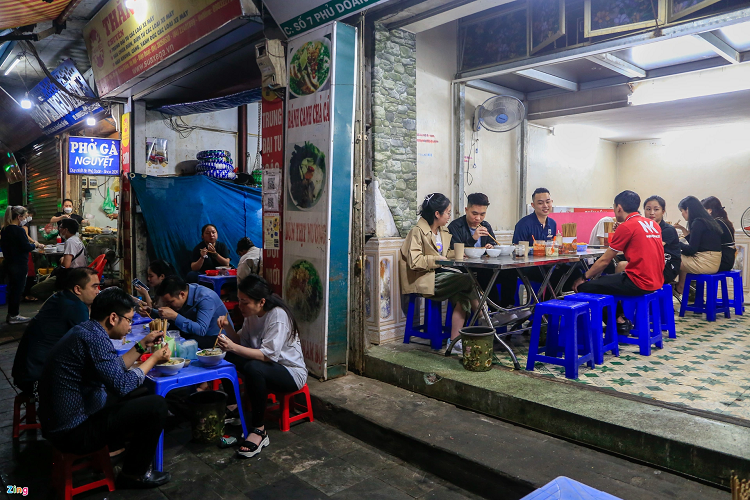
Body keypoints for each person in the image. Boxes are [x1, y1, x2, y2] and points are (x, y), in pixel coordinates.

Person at [38, 288, 172, 488]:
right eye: (129, 319)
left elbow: (113, 368)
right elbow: (123, 384)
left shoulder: (86, 330)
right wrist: (154, 359)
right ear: (112, 318)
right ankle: (133, 474)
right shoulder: (95, 339)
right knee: (157, 406)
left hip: (59, 422)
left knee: (138, 393)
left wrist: (142, 345)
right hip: (73, 432)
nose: (130, 325)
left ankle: (124, 451)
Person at [216, 275, 307, 458]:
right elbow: (243, 341)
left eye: (245, 302)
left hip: (289, 372)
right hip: (267, 366)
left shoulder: (277, 316)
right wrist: (228, 329)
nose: (240, 306)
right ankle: (234, 407)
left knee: (252, 368)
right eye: (239, 301)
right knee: (226, 355)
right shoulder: (252, 314)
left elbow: (268, 355)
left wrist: (233, 346)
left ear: (261, 302)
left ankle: (259, 430)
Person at [572, 190, 665, 334]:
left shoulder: (627, 226)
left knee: (587, 287)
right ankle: (620, 319)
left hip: (638, 282)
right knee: (607, 283)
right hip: (657, 280)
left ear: (619, 208)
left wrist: (584, 278)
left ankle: (617, 324)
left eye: (614, 208)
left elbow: (604, 260)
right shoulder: (653, 224)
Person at [399, 193, 478, 352]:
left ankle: (454, 341)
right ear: (437, 213)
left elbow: (444, 253)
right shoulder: (417, 232)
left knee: (463, 294)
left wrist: (456, 254)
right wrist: (436, 259)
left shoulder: (443, 232)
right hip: (422, 279)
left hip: (438, 275)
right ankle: (482, 313)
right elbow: (415, 261)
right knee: (467, 279)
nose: (449, 216)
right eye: (448, 212)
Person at [12, 268, 100, 395]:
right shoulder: (75, 306)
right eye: (94, 287)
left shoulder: (61, 297)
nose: (98, 291)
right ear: (77, 289)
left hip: (24, 373)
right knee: (97, 382)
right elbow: (91, 344)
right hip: (35, 379)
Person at [156, 275, 228, 348]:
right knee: (171, 327)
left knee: (193, 340)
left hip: (217, 338)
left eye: (170, 302)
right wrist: (151, 312)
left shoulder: (205, 298)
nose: (168, 306)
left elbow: (201, 330)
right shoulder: (187, 291)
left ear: (182, 294)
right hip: (199, 333)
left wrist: (175, 316)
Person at [673, 196, 723, 295]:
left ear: (687, 209)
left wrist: (674, 242)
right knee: (679, 257)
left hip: (705, 262)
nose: (682, 214)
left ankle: (673, 286)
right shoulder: (706, 220)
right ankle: (680, 286)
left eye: (681, 211)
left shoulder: (698, 222)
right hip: (713, 261)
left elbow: (692, 249)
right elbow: (696, 243)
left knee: (670, 258)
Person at [30, 218, 87, 301]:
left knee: (34, 290)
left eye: (60, 227)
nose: (59, 230)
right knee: (42, 279)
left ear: (66, 230)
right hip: (77, 271)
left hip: (71, 274)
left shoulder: (70, 242)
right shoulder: (76, 239)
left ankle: (61, 298)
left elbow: (66, 265)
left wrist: (62, 260)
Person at [1, 206, 39, 324]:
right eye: (25, 216)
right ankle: (14, 315)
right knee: (17, 290)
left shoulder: (5, 229)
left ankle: (11, 314)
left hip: (9, 263)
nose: (26, 219)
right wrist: (36, 245)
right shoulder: (19, 230)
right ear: (19, 217)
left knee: (12, 289)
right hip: (19, 265)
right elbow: (26, 247)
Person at [643, 196, 681, 285]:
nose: (651, 213)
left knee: (623, 266)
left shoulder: (668, 229)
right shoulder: (644, 227)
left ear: (663, 212)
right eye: (648, 209)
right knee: (615, 264)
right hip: (649, 263)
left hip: (667, 267)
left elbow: (651, 248)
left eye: (656, 209)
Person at [701, 196, 736, 272]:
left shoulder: (717, 223)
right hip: (728, 259)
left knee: (693, 264)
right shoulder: (723, 221)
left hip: (723, 261)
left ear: (709, 211)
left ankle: (685, 284)